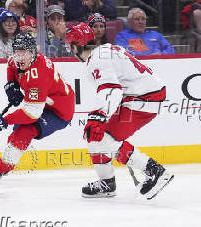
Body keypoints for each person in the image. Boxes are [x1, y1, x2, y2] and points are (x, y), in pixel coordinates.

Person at [65, 23, 174, 199]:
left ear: (75, 46)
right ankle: (106, 183)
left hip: (144, 98)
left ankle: (155, 171)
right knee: (94, 135)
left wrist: (99, 115)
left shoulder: (97, 59)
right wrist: (98, 116)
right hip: (139, 95)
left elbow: (112, 90)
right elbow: (113, 89)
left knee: (104, 138)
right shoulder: (103, 51)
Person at [0, 33, 75, 183]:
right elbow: (11, 66)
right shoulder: (17, 59)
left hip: (59, 111)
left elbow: (31, 113)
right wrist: (12, 86)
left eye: (25, 53)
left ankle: (1, 169)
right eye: (18, 53)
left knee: (24, 131)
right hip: (44, 103)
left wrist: (2, 121)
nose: (21, 57)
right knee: (18, 129)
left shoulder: (38, 75)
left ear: (33, 53)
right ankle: (7, 161)